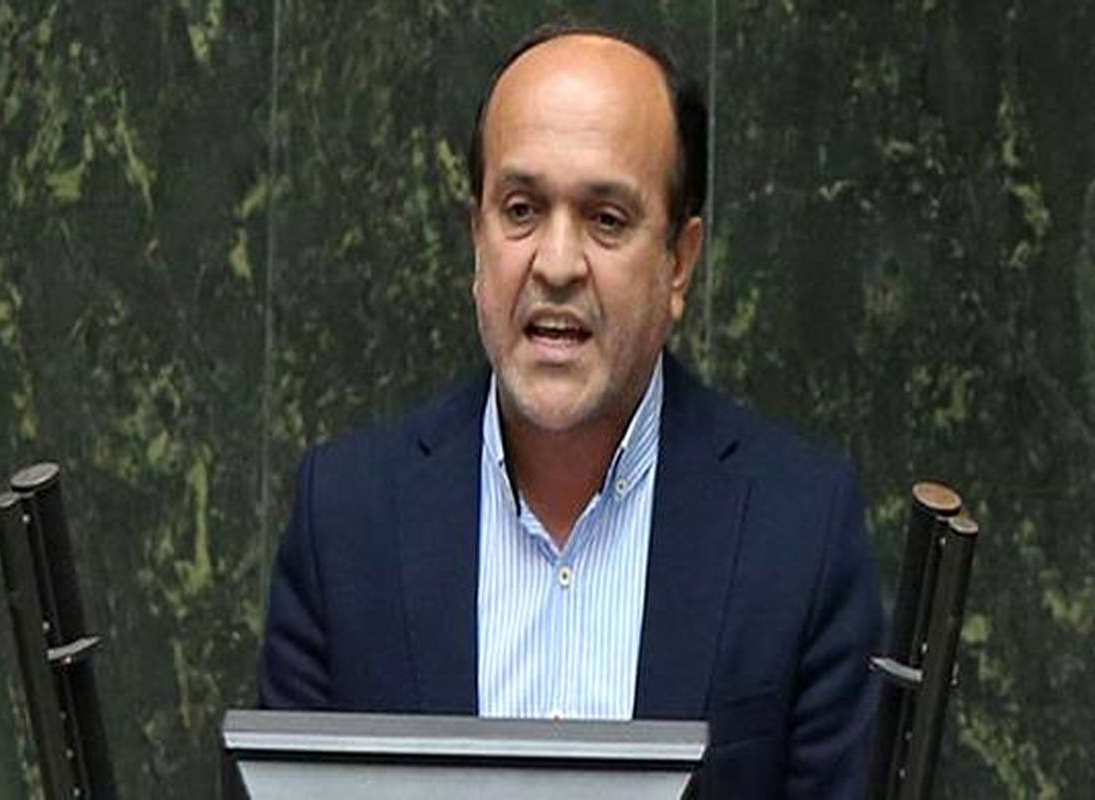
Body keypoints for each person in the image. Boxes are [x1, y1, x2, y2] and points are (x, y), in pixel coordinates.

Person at [259, 23, 882, 798]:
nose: (556, 265)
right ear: (477, 239)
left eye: (606, 219)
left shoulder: (800, 531)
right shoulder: (347, 521)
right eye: (521, 209)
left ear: (680, 262)